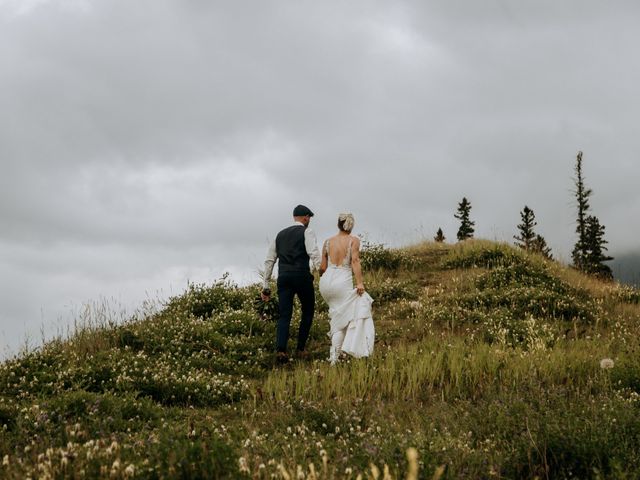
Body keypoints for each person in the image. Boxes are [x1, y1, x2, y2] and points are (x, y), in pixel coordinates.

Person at [262, 204, 321, 363]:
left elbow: (269, 261)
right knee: (308, 310)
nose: (309, 220)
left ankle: (281, 350)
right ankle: (300, 348)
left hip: (284, 277)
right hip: (301, 275)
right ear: (305, 217)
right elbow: (313, 253)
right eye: (309, 218)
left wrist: (266, 286)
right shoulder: (307, 231)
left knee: (284, 314)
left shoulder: (279, 235)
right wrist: (322, 272)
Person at [319, 213, 374, 365]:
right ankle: (335, 358)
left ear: (338, 224)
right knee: (341, 321)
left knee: (336, 315)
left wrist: (322, 276)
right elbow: (355, 261)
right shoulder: (353, 241)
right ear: (351, 225)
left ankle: (337, 355)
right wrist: (360, 283)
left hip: (326, 283)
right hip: (342, 281)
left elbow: (322, 267)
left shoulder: (327, 242)